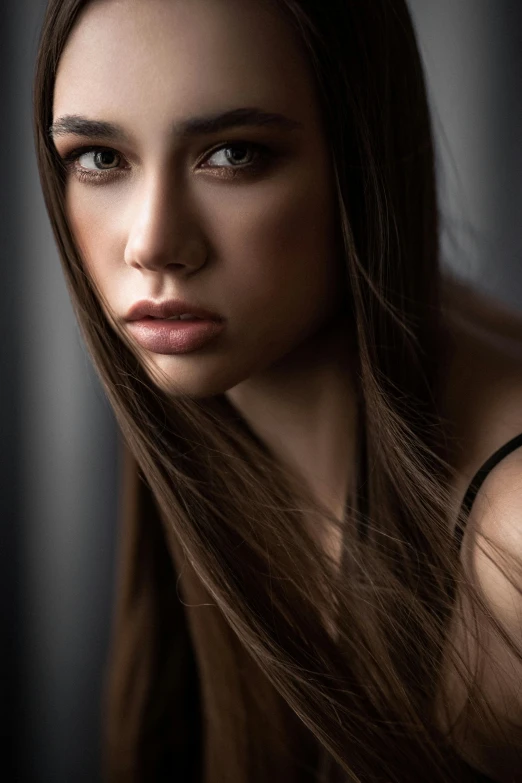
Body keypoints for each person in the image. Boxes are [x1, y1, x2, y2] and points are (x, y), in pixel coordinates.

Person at [33, 0, 522, 781]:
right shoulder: (203, 400)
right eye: (99, 158)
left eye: (232, 154)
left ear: (360, 156)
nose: (152, 242)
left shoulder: (509, 538)